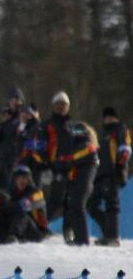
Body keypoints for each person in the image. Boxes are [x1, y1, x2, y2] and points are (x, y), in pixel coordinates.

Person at [41, 92, 98, 245]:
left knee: (72, 202)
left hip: (74, 166)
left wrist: (68, 160)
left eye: (64, 104)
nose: (61, 107)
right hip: (56, 167)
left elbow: (87, 147)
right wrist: (45, 164)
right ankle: (41, 227)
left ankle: (71, 232)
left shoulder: (75, 125)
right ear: (53, 106)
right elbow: (41, 146)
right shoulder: (46, 125)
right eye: (58, 104)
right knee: (55, 200)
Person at [88, 107, 131, 246]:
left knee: (111, 205)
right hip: (99, 174)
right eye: (106, 117)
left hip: (113, 172)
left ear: (116, 118)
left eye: (111, 117)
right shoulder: (101, 133)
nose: (108, 119)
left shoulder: (120, 130)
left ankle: (112, 236)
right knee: (91, 205)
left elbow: (125, 149)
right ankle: (108, 231)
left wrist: (120, 166)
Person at [6, 165, 49, 242]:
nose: (21, 181)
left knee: (22, 213)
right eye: (18, 178)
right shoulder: (12, 192)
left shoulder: (37, 193)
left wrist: (8, 205)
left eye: (24, 178)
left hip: (37, 231)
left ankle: (14, 236)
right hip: (20, 227)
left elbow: (24, 205)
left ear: (29, 180)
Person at [0, 87, 26, 189]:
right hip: (2, 157)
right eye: (13, 100)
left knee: (13, 185)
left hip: (15, 157)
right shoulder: (6, 118)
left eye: (17, 100)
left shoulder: (23, 116)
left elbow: (20, 133)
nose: (15, 102)